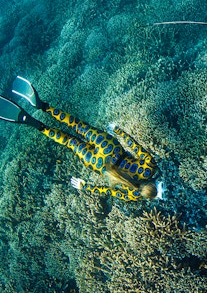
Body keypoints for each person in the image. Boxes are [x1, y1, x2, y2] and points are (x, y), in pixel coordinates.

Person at [0, 76, 165, 201]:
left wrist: (118, 131)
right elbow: (107, 191)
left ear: (157, 184)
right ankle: (36, 124)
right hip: (100, 165)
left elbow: (135, 146)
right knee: (69, 141)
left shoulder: (151, 167)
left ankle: (43, 106)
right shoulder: (134, 195)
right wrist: (84, 185)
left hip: (111, 148)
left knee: (77, 125)